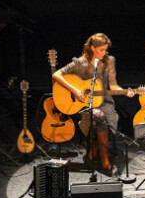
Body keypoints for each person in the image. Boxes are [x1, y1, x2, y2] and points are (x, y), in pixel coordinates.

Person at [52, 33, 134, 170]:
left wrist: (125, 92)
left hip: (105, 102)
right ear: (92, 47)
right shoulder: (80, 63)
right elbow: (56, 74)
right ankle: (104, 156)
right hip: (84, 103)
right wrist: (75, 90)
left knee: (103, 116)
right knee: (99, 117)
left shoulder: (110, 61)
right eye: (101, 50)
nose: (104, 53)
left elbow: (113, 85)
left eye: (106, 50)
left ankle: (94, 149)